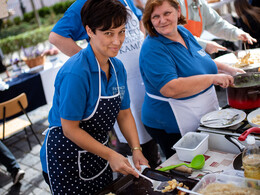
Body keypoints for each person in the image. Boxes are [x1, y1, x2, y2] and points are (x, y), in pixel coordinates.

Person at [40, 0, 149, 194]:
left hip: (99, 154)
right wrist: (110, 155)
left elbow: (124, 114)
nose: (117, 41)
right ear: (89, 31)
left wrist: (136, 149)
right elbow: (70, 129)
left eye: (121, 32)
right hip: (65, 159)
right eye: (108, 33)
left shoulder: (117, 68)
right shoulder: (76, 73)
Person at [139, 0, 245, 158]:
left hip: (200, 113)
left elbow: (199, 60)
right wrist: (212, 78)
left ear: (178, 12)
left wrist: (229, 70)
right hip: (170, 125)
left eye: (167, 13)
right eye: (156, 16)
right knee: (188, 167)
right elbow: (170, 88)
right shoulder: (153, 48)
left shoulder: (182, 32)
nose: (162, 20)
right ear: (149, 20)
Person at [134, 0, 257, 54]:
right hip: (174, 54)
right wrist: (204, 45)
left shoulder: (198, 3)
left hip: (194, 53)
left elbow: (215, 23)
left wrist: (236, 33)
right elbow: (172, 33)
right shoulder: (170, 4)